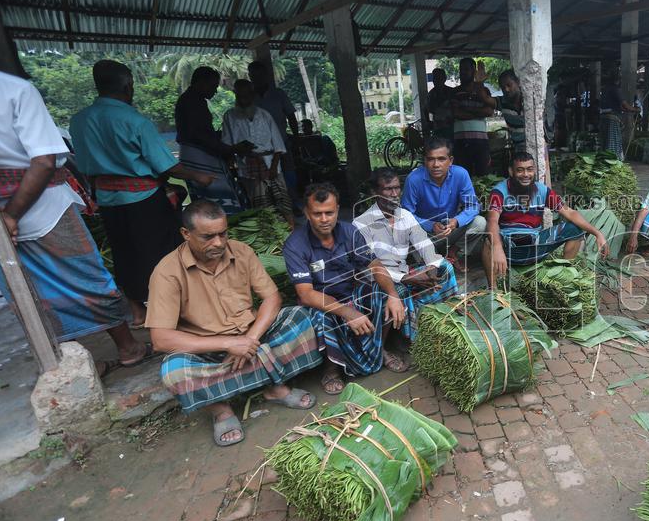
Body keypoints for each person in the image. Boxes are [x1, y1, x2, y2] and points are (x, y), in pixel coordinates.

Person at [0, 70, 152, 372]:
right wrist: (11, 215)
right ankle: (127, 347)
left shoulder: (68, 113)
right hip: (42, 204)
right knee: (87, 278)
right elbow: (44, 161)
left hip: (19, 209)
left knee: (27, 291)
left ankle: (67, 364)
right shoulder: (16, 90)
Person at [147, 200, 321, 447]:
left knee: (301, 318)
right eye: (208, 237)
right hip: (210, 352)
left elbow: (272, 298)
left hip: (255, 338)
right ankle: (221, 410)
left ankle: (273, 387)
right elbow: (161, 338)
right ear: (186, 234)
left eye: (223, 233)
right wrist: (229, 343)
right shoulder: (167, 272)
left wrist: (249, 340)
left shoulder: (241, 251)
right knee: (174, 371)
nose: (218, 243)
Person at [70, 60, 214, 327]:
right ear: (128, 86)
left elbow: (85, 167)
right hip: (143, 198)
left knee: (123, 253)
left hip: (108, 199)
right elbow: (167, 165)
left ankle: (137, 312)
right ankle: (176, 313)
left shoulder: (79, 121)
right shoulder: (134, 120)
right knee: (163, 254)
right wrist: (198, 175)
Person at [284, 183, 408, 395]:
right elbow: (305, 294)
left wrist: (393, 295)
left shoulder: (349, 232)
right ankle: (331, 368)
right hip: (322, 302)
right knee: (320, 318)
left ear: (337, 209)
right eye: (318, 214)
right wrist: (348, 312)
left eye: (329, 213)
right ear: (306, 213)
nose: (324, 219)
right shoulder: (295, 245)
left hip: (352, 292)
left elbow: (375, 265)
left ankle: (380, 349)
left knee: (387, 293)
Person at [354, 168, 458, 341]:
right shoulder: (361, 224)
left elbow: (424, 244)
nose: (395, 194)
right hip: (377, 281)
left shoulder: (406, 215)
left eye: (397, 188)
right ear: (374, 192)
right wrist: (406, 278)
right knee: (399, 290)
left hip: (404, 272)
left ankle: (445, 317)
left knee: (445, 267)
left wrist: (431, 266)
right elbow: (368, 269)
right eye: (388, 189)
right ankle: (412, 339)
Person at [483, 151, 609, 287]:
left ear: (534, 170)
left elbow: (570, 213)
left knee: (575, 228)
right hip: (510, 249)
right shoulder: (499, 192)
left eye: (529, 169)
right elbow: (492, 221)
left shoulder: (542, 190)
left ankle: (564, 277)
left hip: (537, 245)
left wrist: (598, 233)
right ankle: (494, 290)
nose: (526, 174)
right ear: (511, 171)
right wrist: (497, 247)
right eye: (520, 170)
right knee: (488, 241)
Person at [400, 137, 487, 272]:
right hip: (425, 235)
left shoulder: (460, 174)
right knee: (408, 233)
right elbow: (405, 214)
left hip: (450, 230)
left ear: (450, 160)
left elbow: (473, 206)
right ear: (425, 160)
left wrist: (456, 221)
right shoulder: (414, 180)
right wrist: (430, 225)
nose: (436, 164)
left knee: (480, 222)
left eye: (441, 159)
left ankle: (453, 254)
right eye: (430, 159)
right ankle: (432, 262)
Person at [174, 66, 251, 215]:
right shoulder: (193, 101)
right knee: (218, 200)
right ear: (201, 82)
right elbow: (200, 135)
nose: (215, 91)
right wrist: (229, 149)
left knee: (208, 200)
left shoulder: (191, 99)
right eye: (213, 86)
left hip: (195, 153)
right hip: (199, 155)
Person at [221, 79, 294, 227]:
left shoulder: (264, 115)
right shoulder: (230, 116)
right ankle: (270, 234)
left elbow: (278, 144)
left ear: (252, 96)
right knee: (260, 207)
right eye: (240, 97)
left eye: (246, 97)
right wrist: (237, 149)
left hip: (271, 163)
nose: (243, 100)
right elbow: (226, 145)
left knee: (283, 203)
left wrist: (273, 167)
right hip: (248, 167)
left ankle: (290, 230)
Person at [247, 60, 299, 198]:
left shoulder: (278, 94)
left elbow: (291, 116)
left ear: (265, 75)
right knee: (266, 176)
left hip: (282, 140)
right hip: (261, 147)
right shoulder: (249, 98)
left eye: (260, 75)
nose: (257, 78)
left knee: (289, 172)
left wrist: (297, 137)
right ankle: (273, 204)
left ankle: (292, 201)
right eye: (254, 75)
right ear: (250, 76)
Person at [451, 58, 494, 176]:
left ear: (473, 71)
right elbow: (456, 113)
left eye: (466, 69)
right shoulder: (455, 92)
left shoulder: (484, 91)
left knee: (483, 175)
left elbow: (489, 111)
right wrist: (479, 112)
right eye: (461, 70)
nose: (463, 72)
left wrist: (465, 109)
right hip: (460, 141)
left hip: (480, 141)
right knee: (463, 175)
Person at [599, 72, 640, 160]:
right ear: (617, 80)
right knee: (612, 140)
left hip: (604, 117)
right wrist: (635, 109)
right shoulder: (615, 89)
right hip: (612, 118)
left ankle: (605, 157)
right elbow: (624, 105)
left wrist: (630, 110)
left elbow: (621, 107)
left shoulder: (605, 89)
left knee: (605, 140)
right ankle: (612, 159)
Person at [496, 70, 526, 154]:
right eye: (503, 87)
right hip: (518, 149)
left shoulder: (530, 100)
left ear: (518, 82)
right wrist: (480, 83)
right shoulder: (502, 102)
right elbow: (485, 99)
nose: (506, 89)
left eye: (509, 85)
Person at [427, 68, 455, 142]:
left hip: (452, 129)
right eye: (434, 78)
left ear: (444, 79)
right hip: (438, 129)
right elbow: (427, 110)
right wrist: (430, 123)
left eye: (439, 78)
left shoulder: (451, 92)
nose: (436, 80)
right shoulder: (431, 94)